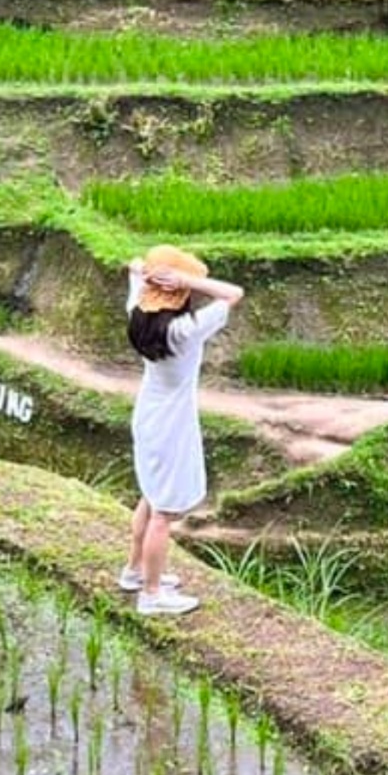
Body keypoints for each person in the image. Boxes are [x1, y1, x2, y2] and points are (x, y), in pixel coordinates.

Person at [122, 244, 243, 617]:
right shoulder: (183, 330)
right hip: (171, 425)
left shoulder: (137, 314)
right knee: (164, 513)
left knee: (150, 495)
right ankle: (152, 594)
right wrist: (187, 279)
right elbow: (233, 293)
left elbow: (133, 266)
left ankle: (134, 571)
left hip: (148, 415)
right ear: (179, 293)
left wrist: (149, 272)